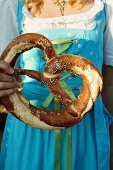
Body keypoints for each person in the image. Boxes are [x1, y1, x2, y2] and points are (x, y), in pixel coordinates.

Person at [0, 0, 113, 169]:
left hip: (85, 125)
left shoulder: (106, 5)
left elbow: (110, 83)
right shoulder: (12, 5)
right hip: (29, 124)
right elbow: (6, 70)